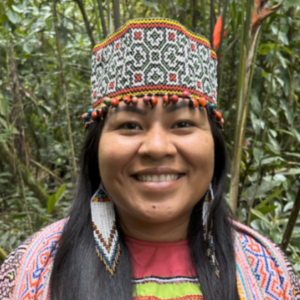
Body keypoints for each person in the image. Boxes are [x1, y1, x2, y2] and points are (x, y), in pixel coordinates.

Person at [0, 18, 299, 300]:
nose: (157, 148)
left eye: (182, 124)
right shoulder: (32, 270)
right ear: (96, 148)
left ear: (214, 145)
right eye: (130, 125)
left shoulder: (268, 271)